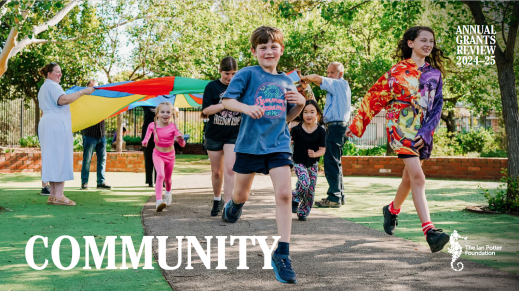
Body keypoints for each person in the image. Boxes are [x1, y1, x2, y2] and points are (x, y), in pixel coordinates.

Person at [345, 26, 449, 253]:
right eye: (423, 40)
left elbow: (437, 107)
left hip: (422, 131)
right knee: (419, 178)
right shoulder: (397, 71)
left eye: (431, 41)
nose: (428, 44)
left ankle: (392, 210)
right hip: (400, 127)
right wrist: (356, 125)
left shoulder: (435, 74)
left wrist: (426, 133)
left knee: (409, 179)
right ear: (411, 43)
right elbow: (375, 96)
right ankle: (430, 232)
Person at [221, 26, 305, 284]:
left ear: (281, 49)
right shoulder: (247, 74)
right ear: (254, 51)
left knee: (283, 194)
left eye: (273, 47)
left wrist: (300, 104)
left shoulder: (287, 81)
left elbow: (285, 117)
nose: (269, 51)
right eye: (263, 47)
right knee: (241, 193)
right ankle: (234, 205)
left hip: (278, 144)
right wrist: (247, 108)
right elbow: (227, 101)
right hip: (249, 145)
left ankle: (282, 253)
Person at [38, 62, 95, 206]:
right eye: (57, 72)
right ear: (49, 73)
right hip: (56, 124)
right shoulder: (53, 86)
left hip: (47, 123)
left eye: (60, 72)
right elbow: (63, 100)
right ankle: (59, 196)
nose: (60, 74)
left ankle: (53, 195)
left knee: (52, 157)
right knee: (60, 156)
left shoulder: (44, 87)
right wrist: (83, 92)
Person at [301, 62, 351, 208]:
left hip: (336, 128)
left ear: (340, 74)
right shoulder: (336, 89)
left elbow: (317, 78)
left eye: (332, 73)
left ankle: (334, 197)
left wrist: (305, 78)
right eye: (328, 72)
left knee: (330, 162)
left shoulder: (339, 84)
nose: (329, 75)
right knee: (335, 162)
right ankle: (339, 195)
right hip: (336, 127)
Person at [202, 56, 241, 217]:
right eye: (226, 73)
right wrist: (224, 104)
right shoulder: (212, 86)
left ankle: (227, 205)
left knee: (231, 169)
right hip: (214, 135)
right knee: (216, 172)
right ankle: (217, 199)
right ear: (220, 71)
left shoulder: (240, 87)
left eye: (233, 73)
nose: (230, 77)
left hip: (234, 134)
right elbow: (206, 111)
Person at [142, 101, 186, 212]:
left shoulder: (173, 127)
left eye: (167, 112)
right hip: (158, 154)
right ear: (157, 114)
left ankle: (168, 193)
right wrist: (145, 141)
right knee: (160, 175)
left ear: (171, 114)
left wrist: (181, 139)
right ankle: (158, 201)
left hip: (170, 156)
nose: (165, 114)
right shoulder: (153, 125)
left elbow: (182, 145)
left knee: (168, 179)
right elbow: (147, 137)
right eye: (162, 112)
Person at [290, 100, 326, 221]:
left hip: (313, 164)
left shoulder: (321, 131)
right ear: (301, 114)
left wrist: (315, 154)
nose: (309, 115)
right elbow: (288, 141)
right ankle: (294, 198)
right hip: (299, 162)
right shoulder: (296, 130)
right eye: (305, 112)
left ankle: (303, 212)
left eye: (312, 112)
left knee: (310, 190)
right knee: (304, 182)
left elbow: (323, 150)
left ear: (317, 114)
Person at [81, 80, 112, 190]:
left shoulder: (102, 101)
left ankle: (101, 182)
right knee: (87, 160)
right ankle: (84, 183)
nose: (94, 90)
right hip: (89, 135)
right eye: (92, 88)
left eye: (96, 88)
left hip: (101, 135)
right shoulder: (84, 101)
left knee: (102, 160)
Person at [141, 106, 157, 187]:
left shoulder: (162, 100)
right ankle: (149, 180)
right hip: (147, 128)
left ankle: (160, 180)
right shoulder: (146, 101)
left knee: (159, 155)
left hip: (159, 128)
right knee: (148, 155)